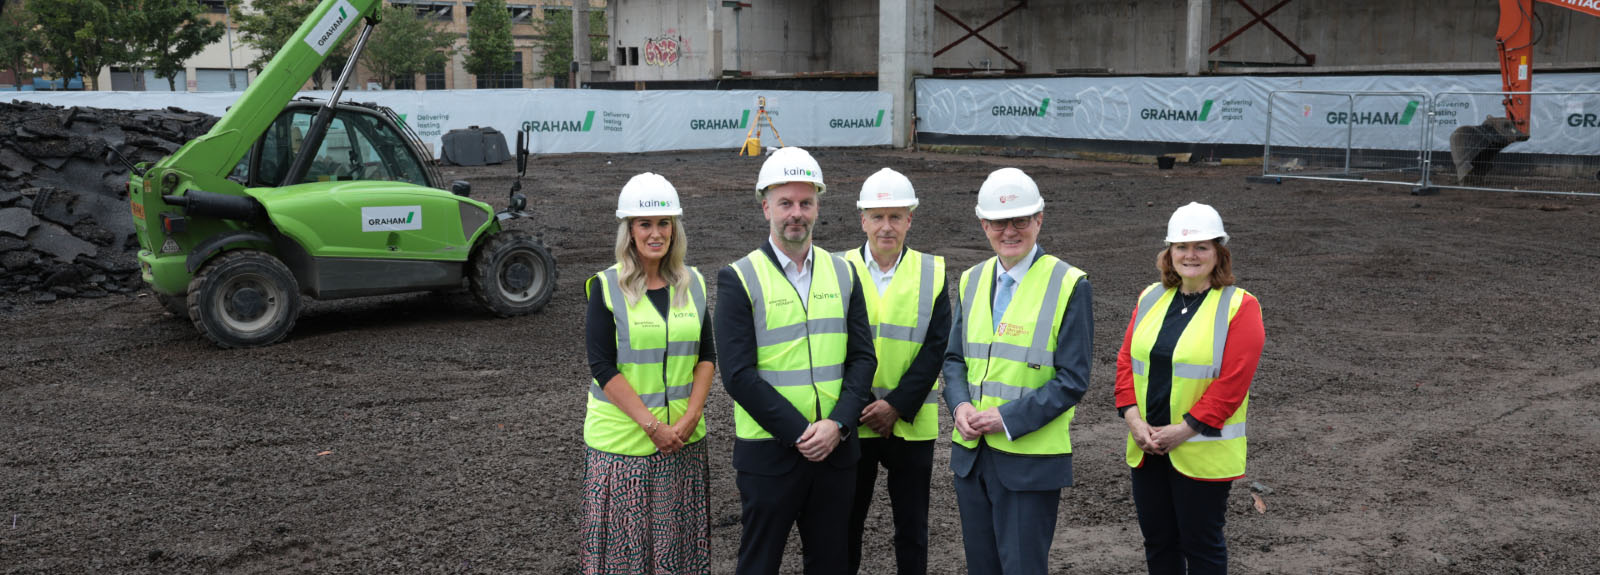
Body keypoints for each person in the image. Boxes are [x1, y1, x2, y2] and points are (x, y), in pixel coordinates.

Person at [715, 147, 877, 575]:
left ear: (818, 207)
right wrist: (802, 432)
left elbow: (862, 359)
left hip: (836, 453)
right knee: (759, 563)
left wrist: (839, 424)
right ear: (765, 206)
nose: (796, 213)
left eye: (805, 203)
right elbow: (737, 375)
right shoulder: (739, 277)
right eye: (785, 203)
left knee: (831, 564)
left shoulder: (844, 272)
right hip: (770, 455)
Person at [941, 167, 1092, 575]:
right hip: (972, 457)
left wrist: (1005, 418)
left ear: (1039, 219)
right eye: (998, 222)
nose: (1010, 231)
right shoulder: (971, 280)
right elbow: (954, 360)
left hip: (1029, 462)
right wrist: (959, 408)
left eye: (1020, 220)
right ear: (983, 223)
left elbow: (1072, 380)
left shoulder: (1069, 283)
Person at [1115, 202, 1264, 575]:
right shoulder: (1151, 297)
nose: (1190, 255)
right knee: (1158, 542)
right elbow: (1125, 364)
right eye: (1182, 247)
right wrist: (1134, 420)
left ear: (1219, 253)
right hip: (1148, 447)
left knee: (1201, 546)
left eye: (1201, 247)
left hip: (1201, 451)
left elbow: (1232, 384)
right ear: (1169, 253)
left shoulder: (1240, 307)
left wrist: (1183, 430)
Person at [581, 173, 716, 575]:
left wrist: (690, 418)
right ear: (630, 231)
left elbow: (706, 356)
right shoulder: (606, 286)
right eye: (645, 224)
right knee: (625, 559)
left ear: (675, 228)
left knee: (679, 555)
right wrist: (654, 426)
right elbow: (602, 367)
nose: (656, 233)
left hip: (684, 442)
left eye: (664, 223)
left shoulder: (694, 284)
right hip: (623, 448)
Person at [842, 168, 951, 575]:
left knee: (912, 529)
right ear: (863, 219)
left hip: (910, 423)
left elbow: (936, 347)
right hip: (854, 419)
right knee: (845, 525)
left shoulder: (933, 271)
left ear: (910, 219)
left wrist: (894, 406)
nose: (886, 226)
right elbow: (834, 345)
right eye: (877, 216)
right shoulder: (837, 269)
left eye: (896, 216)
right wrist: (868, 406)